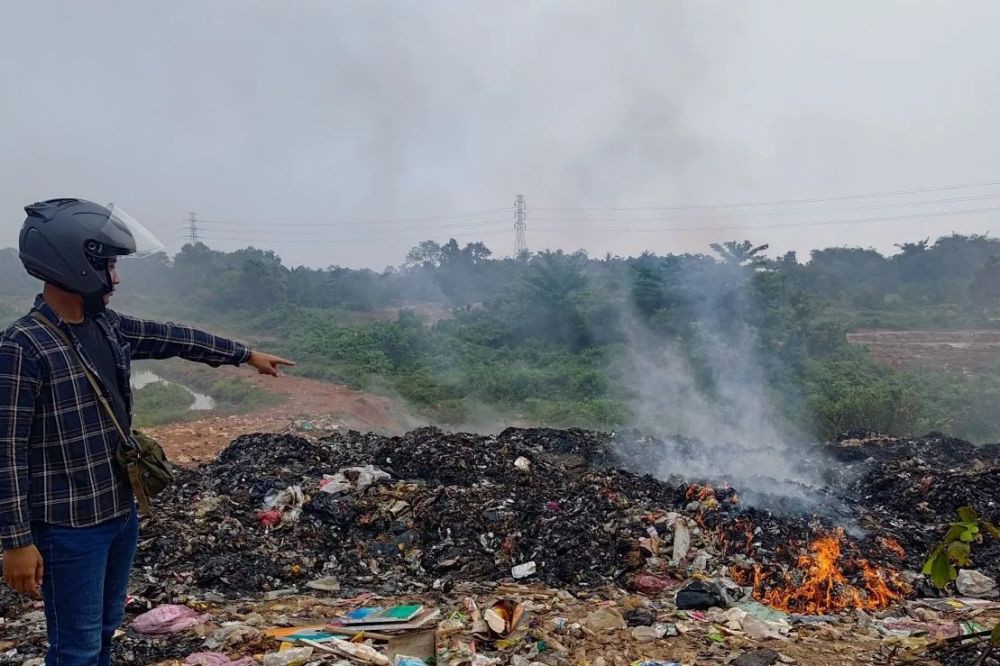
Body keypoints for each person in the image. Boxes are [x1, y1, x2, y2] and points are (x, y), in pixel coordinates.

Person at [0, 198, 294, 665]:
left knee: (103, 629)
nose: (114, 277)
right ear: (72, 265)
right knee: (74, 647)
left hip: (118, 511)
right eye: (107, 264)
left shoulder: (105, 325)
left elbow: (174, 337)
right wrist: (16, 541)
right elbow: (6, 450)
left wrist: (244, 354)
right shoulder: (24, 346)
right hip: (68, 526)